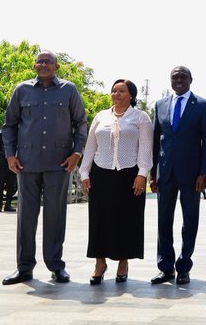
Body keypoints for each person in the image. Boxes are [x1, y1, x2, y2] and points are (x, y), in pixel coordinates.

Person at [2, 50, 87, 285]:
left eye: (48, 62)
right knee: (25, 217)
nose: (44, 64)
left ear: (56, 67)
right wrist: (11, 156)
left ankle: (56, 266)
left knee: (55, 216)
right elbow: (9, 125)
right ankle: (24, 267)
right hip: (26, 163)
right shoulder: (22, 90)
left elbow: (80, 123)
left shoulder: (68, 90)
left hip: (59, 164)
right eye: (40, 61)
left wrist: (76, 154)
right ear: (34, 65)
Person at [79, 79, 153, 284]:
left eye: (121, 91)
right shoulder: (101, 116)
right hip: (101, 173)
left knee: (127, 219)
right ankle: (99, 263)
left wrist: (142, 173)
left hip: (129, 175)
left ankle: (123, 262)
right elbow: (90, 146)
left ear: (131, 95)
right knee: (98, 219)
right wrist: (85, 173)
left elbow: (146, 147)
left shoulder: (140, 117)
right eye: (114, 90)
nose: (116, 94)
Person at [149, 66, 206, 285]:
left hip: (191, 174)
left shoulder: (203, 105)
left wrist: (203, 173)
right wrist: (152, 173)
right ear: (170, 80)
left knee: (190, 221)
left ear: (190, 79)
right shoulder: (160, 104)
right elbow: (155, 141)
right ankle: (165, 267)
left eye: (183, 76)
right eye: (175, 77)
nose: (179, 80)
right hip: (165, 173)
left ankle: (184, 265)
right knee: (163, 222)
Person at [0, 130, 18, 212]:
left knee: (11, 184)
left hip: (14, 161)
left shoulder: (18, 134)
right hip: (2, 161)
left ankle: (8, 205)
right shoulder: (2, 134)